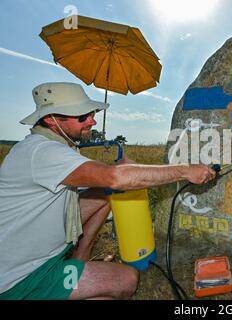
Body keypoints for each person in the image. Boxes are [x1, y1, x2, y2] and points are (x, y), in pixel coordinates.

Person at [0, 82, 216, 300]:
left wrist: (122, 169)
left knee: (104, 194)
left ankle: (79, 260)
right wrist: (185, 170)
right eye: (82, 116)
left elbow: (106, 177)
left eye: (91, 113)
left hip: (40, 249)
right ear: (51, 119)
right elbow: (114, 178)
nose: (92, 120)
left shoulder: (51, 146)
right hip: (23, 277)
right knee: (127, 280)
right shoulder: (43, 152)